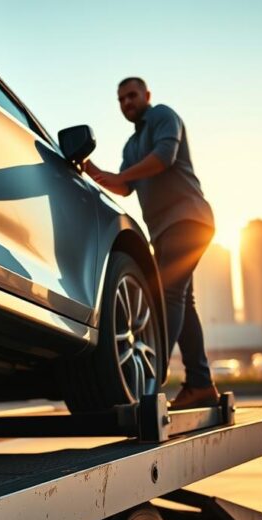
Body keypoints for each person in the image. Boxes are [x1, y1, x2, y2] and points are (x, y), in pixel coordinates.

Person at [84, 77, 219, 410]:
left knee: (167, 296)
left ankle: (150, 385)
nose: (127, 102)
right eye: (121, 99)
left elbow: (164, 157)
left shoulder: (162, 116)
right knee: (183, 302)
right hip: (163, 232)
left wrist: (120, 176)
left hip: (188, 220)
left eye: (132, 95)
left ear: (147, 95)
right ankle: (201, 384)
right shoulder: (130, 148)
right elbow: (123, 187)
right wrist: (92, 171)